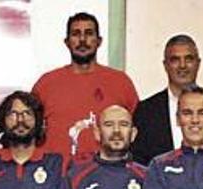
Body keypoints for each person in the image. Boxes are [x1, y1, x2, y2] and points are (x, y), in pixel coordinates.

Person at [31, 11, 139, 161]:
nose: (82, 39)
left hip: (107, 176)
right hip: (57, 178)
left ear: (99, 41)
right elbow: (30, 134)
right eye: (76, 34)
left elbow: (137, 132)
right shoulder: (46, 84)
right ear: (67, 42)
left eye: (89, 33)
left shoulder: (121, 82)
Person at [132, 34, 203, 163]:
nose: (182, 65)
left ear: (198, 63)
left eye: (189, 59)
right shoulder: (145, 111)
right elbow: (139, 160)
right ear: (165, 65)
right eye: (175, 60)